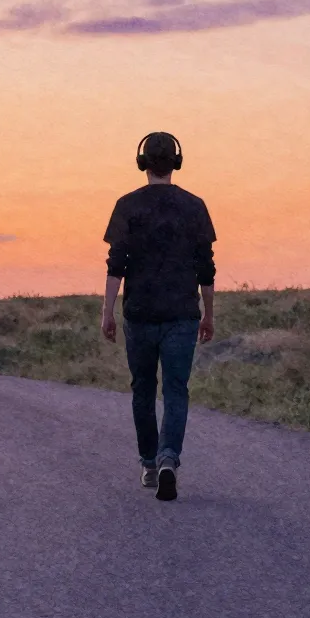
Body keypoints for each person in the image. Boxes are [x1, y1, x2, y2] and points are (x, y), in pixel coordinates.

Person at [100, 131, 216, 501]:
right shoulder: (195, 206)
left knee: (143, 389)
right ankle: (169, 458)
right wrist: (209, 314)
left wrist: (107, 312)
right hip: (182, 313)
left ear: (142, 163)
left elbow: (116, 266)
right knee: (176, 389)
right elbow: (206, 269)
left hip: (140, 314)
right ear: (176, 163)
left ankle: (149, 463)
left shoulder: (126, 205)